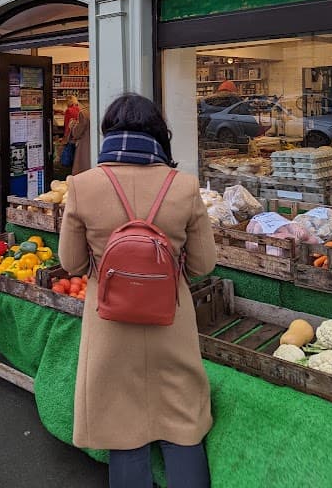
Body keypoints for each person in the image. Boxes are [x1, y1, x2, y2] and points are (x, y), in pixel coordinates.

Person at [59, 93, 216, 488]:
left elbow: (72, 265)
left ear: (107, 133)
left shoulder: (82, 186)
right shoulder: (184, 187)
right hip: (171, 321)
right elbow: (202, 265)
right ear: (159, 134)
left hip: (109, 324)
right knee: (183, 425)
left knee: (122, 426)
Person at [69, 107, 90, 175]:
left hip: (84, 147)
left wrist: (72, 125)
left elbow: (77, 133)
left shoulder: (84, 113)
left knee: (82, 171)